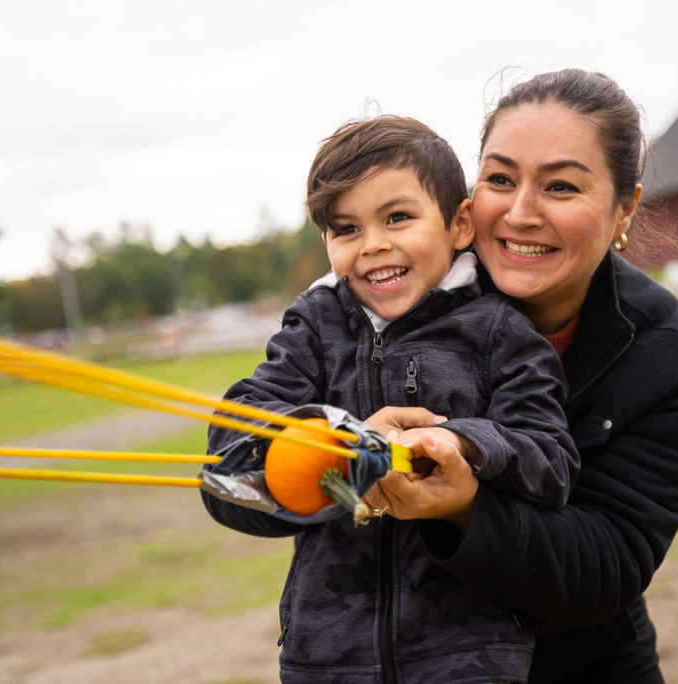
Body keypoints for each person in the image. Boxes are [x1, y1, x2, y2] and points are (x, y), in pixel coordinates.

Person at [361, 68, 678, 683]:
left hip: (581, 664)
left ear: (623, 209)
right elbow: (250, 465)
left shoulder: (675, 356)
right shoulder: (388, 299)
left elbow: (606, 567)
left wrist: (467, 508)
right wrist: (332, 441)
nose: (520, 213)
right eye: (501, 179)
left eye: (560, 186)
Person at [201, 115, 579, 683]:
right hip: (325, 657)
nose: (374, 245)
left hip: (469, 656)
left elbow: (550, 457)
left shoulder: (500, 330)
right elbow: (228, 460)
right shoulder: (313, 328)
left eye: (397, 218)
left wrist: (456, 442)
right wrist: (334, 443)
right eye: (346, 229)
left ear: (458, 224)